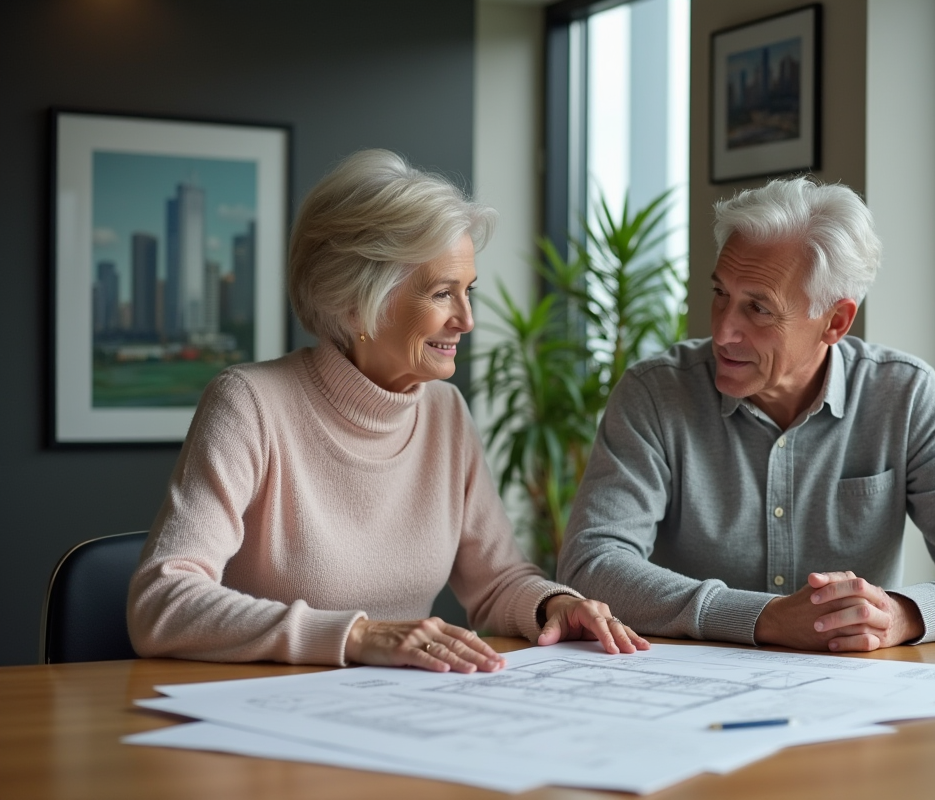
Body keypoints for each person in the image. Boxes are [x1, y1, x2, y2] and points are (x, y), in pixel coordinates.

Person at [128, 149, 649, 672]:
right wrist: (355, 635)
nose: (466, 320)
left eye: (469, 291)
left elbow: (497, 582)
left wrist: (554, 605)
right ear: (358, 302)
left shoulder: (445, 412)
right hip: (263, 721)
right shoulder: (250, 404)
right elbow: (161, 601)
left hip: (393, 718)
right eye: (443, 294)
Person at [557, 177, 935, 653]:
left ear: (835, 321)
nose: (724, 330)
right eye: (721, 293)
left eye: (759, 309)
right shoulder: (654, 394)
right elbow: (591, 563)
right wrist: (760, 618)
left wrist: (900, 615)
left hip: (851, 702)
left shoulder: (904, 395)